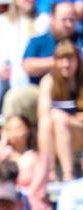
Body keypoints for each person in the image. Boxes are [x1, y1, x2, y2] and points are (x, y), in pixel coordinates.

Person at [0, 0, 49, 118]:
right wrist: (2, 66)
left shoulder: (43, 20)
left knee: (18, 74)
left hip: (30, 72)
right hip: (7, 67)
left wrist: (16, 67)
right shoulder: (3, 21)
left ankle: (19, 118)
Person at [0, 115, 49, 210]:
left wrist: (18, 197)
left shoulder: (38, 156)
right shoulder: (2, 154)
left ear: (27, 129)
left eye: (18, 128)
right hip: (3, 206)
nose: (15, 132)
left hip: (30, 208)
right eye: (9, 129)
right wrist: (2, 142)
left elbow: (38, 188)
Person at [37, 40, 83, 180]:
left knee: (59, 119)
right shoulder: (49, 81)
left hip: (78, 134)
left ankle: (67, 174)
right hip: (54, 135)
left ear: (77, 61)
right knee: (48, 122)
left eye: (70, 59)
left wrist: (67, 120)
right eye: (61, 60)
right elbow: (42, 114)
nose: (66, 64)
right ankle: (50, 172)